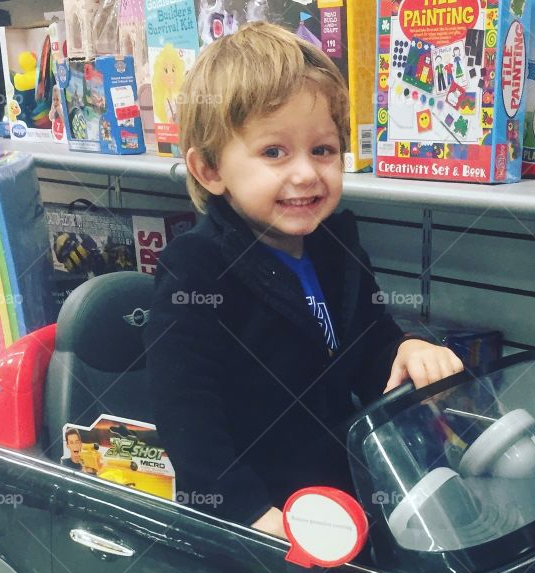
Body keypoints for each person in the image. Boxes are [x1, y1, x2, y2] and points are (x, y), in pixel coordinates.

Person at [145, 23, 463, 540]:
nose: (306, 174)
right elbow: (186, 416)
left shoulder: (334, 244)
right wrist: (249, 515)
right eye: (274, 152)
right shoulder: (197, 266)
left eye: (323, 150)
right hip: (259, 512)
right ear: (208, 170)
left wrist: (408, 349)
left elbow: (367, 345)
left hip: (342, 490)